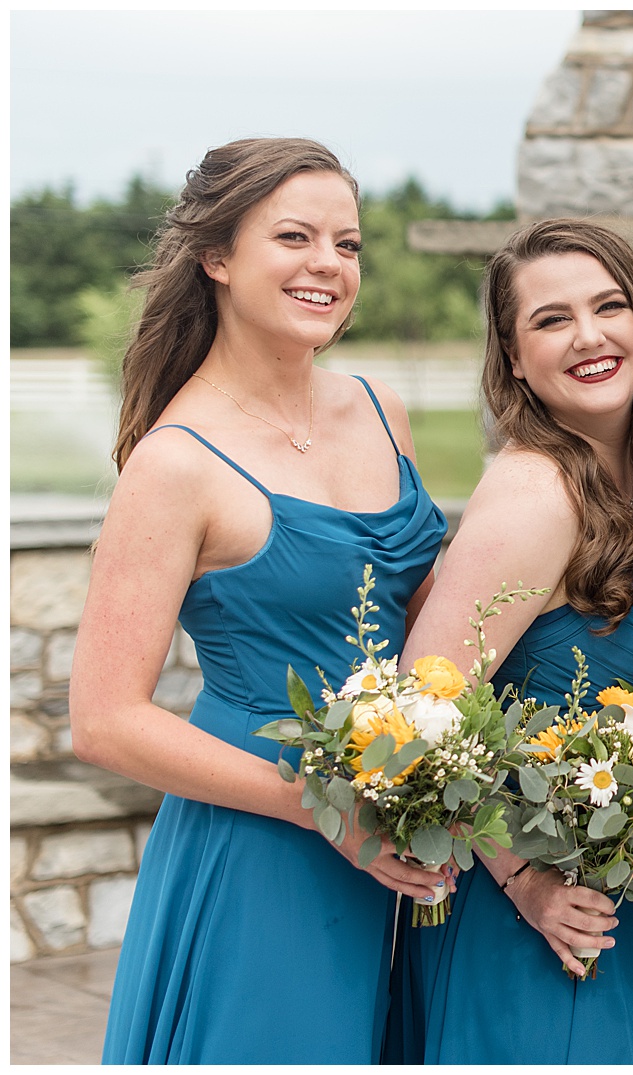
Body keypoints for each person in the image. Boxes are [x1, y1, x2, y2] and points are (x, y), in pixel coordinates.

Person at [69, 138, 450, 1064]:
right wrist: (323, 808)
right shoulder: (175, 465)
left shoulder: (378, 405)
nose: (329, 263)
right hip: (262, 846)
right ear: (218, 257)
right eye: (296, 236)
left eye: (348, 244)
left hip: (412, 830)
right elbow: (105, 720)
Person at [383, 219, 633, 1064]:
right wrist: (526, 879)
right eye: (553, 319)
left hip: (622, 896)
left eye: (609, 306)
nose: (590, 336)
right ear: (514, 358)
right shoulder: (535, 491)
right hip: (534, 914)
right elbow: (417, 713)